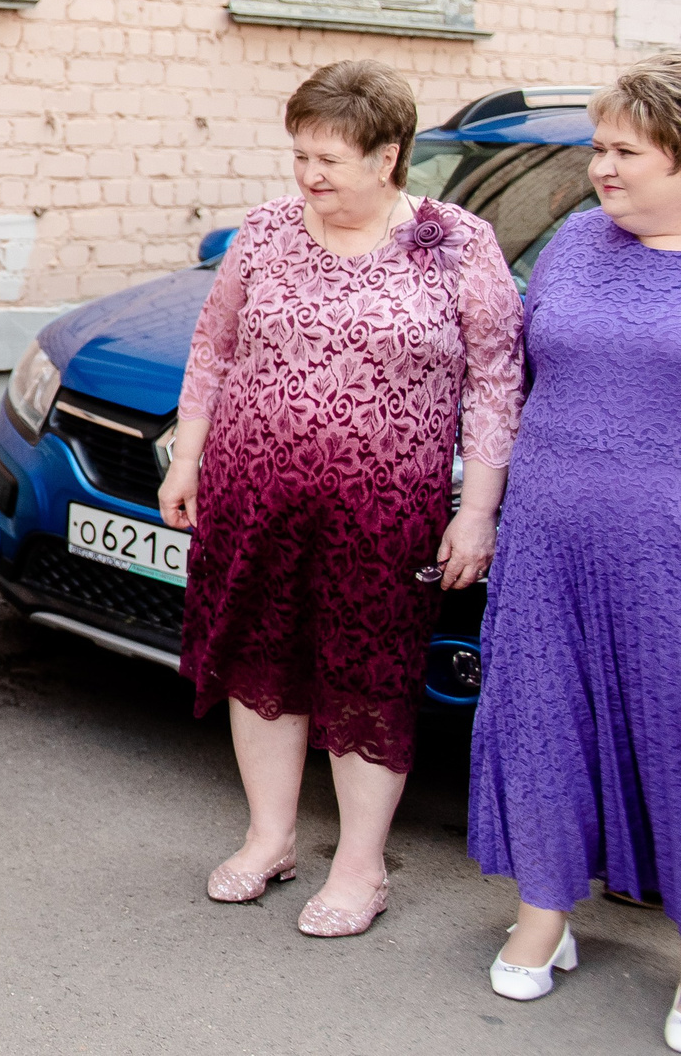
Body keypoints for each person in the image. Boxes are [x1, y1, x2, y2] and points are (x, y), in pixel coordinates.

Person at [159, 59, 522, 938]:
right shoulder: (271, 228)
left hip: (384, 511)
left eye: (330, 159)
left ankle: (361, 867)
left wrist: (476, 508)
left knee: (368, 676)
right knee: (261, 663)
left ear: (389, 154)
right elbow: (214, 346)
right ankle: (269, 839)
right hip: (253, 493)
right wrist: (187, 459)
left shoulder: (459, 242)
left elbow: (496, 380)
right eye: (300, 155)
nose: (310, 176)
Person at [468, 53, 681, 1044]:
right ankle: (544, 913)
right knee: (540, 717)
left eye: (623, 151)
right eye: (596, 147)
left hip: (664, 554)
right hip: (546, 535)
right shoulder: (574, 244)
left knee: (670, 739)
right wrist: (485, 509)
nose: (600, 167)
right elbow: (512, 380)